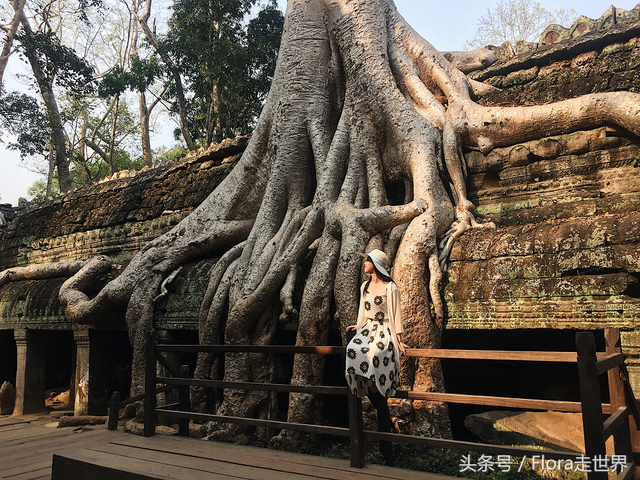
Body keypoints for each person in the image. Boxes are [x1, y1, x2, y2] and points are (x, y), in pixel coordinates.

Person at [345, 249, 407, 465]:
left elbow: (396, 314)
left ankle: (373, 383)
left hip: (385, 330)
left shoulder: (391, 288)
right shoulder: (364, 287)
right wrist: (358, 326)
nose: (364, 264)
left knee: (374, 352)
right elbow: (363, 312)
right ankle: (366, 383)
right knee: (353, 349)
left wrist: (399, 339)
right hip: (368, 329)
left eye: (367, 261)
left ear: (376, 264)